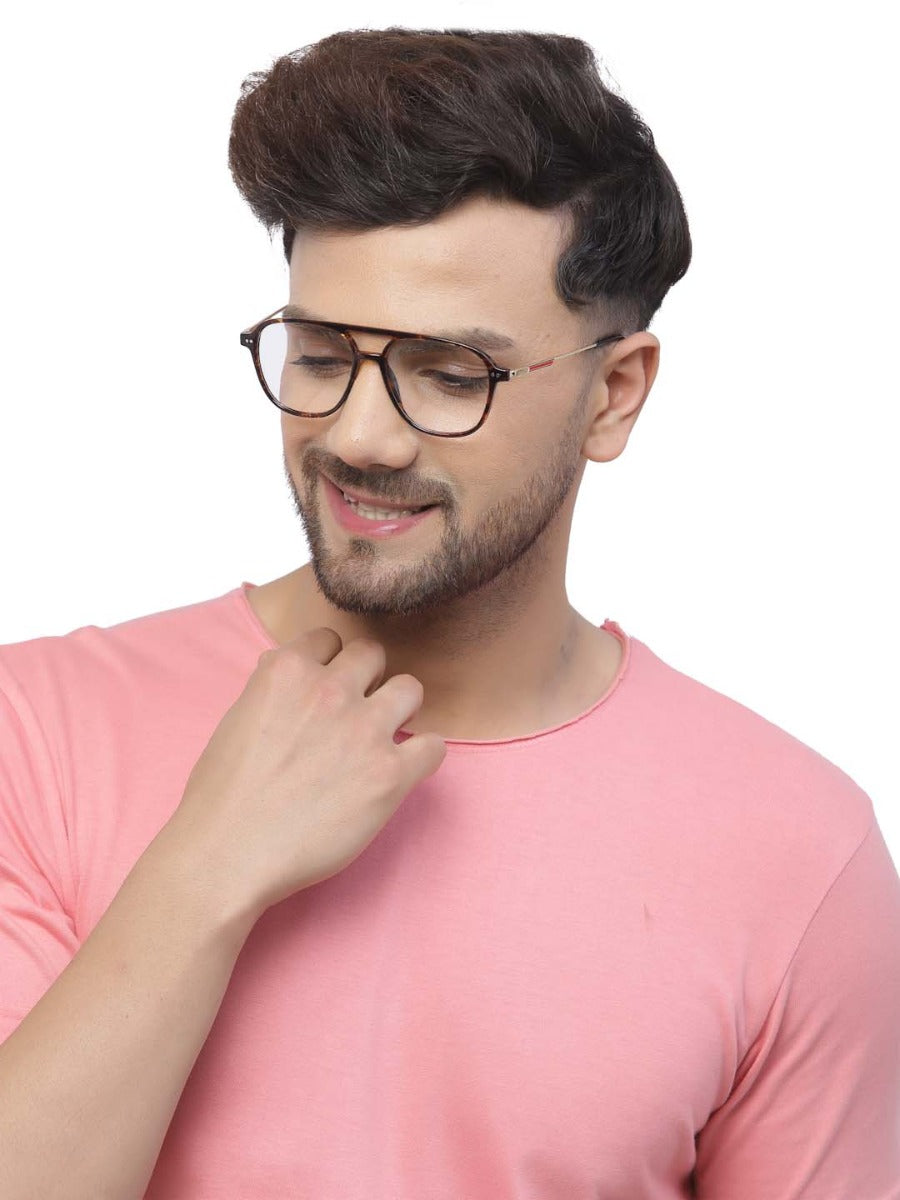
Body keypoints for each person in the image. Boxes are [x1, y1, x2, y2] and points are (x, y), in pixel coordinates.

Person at [0, 26, 897, 1200]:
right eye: (323, 354)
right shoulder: (35, 734)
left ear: (614, 394)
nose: (359, 436)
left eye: (449, 374)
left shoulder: (795, 848)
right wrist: (204, 875)